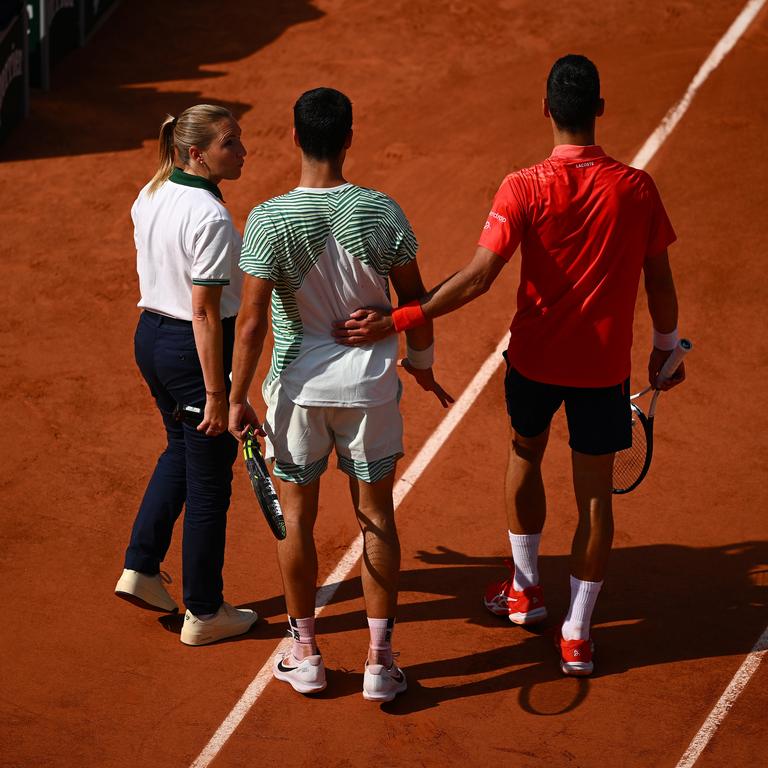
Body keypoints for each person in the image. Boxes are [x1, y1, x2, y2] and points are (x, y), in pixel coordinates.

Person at [333, 55, 685, 676]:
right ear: (599, 110)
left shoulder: (523, 186)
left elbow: (476, 279)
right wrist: (665, 345)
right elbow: (659, 279)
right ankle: (577, 634)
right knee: (596, 495)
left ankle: (525, 591)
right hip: (603, 372)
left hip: (534, 363)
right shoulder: (636, 189)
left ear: (546, 109)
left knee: (524, 453)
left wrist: (398, 319)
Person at [229, 87, 451, 700]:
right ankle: (380, 664)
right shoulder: (381, 212)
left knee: (296, 522)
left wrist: (234, 396)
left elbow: (250, 324)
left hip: (297, 394)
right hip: (370, 391)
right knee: (376, 516)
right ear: (349, 138)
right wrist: (423, 364)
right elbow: (417, 302)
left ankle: (306, 655)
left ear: (295, 138)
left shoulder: (268, 219)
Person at [114, 104, 259, 646]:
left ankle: (142, 568)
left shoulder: (149, 193)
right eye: (230, 143)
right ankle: (203, 610)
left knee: (179, 449)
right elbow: (203, 312)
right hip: (192, 350)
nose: (242, 151)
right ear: (197, 152)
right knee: (208, 482)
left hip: (150, 340)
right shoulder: (211, 217)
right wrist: (219, 393)